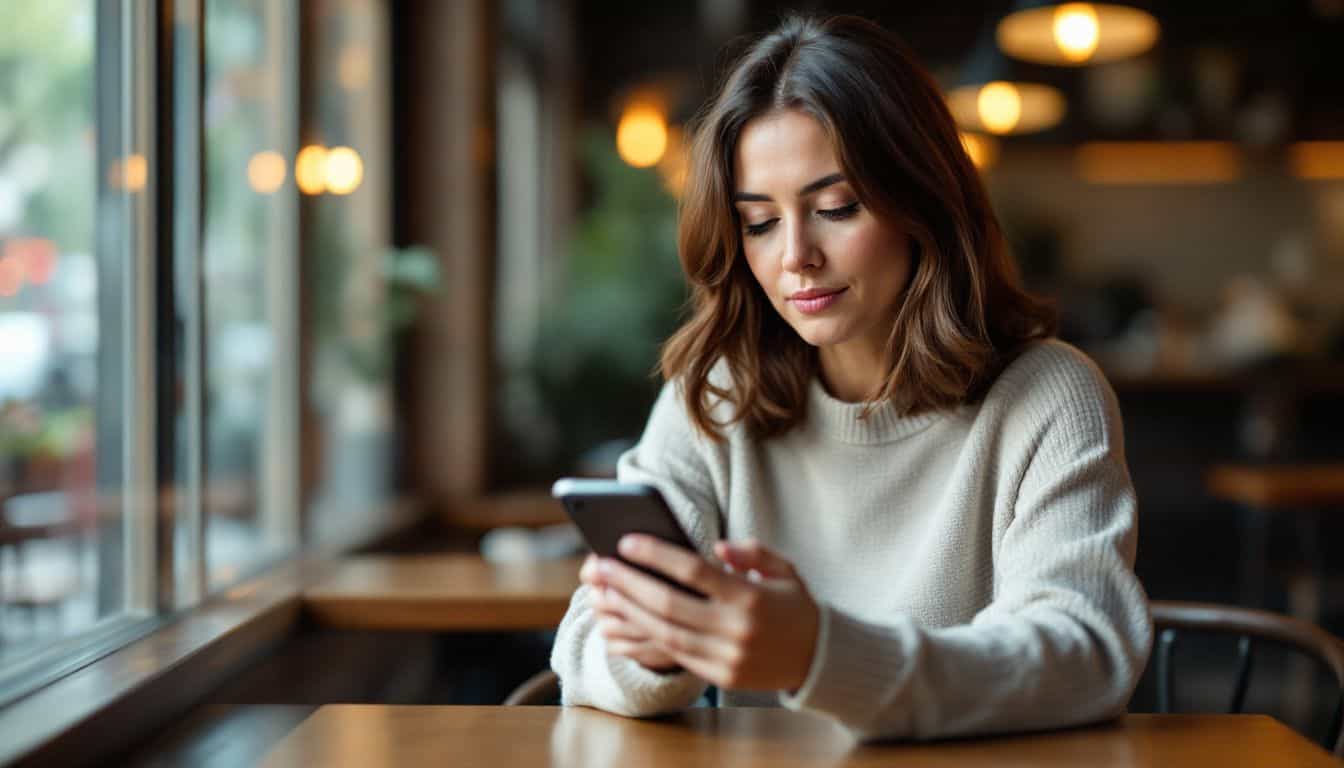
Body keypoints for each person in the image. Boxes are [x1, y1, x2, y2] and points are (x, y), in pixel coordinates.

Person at [551, 13, 1151, 741]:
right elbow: (580, 648)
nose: (795, 255)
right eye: (759, 223)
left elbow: (1084, 653)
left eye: (836, 207)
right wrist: (649, 647)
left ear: (922, 203)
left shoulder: (1048, 396)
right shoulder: (716, 395)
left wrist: (820, 655)